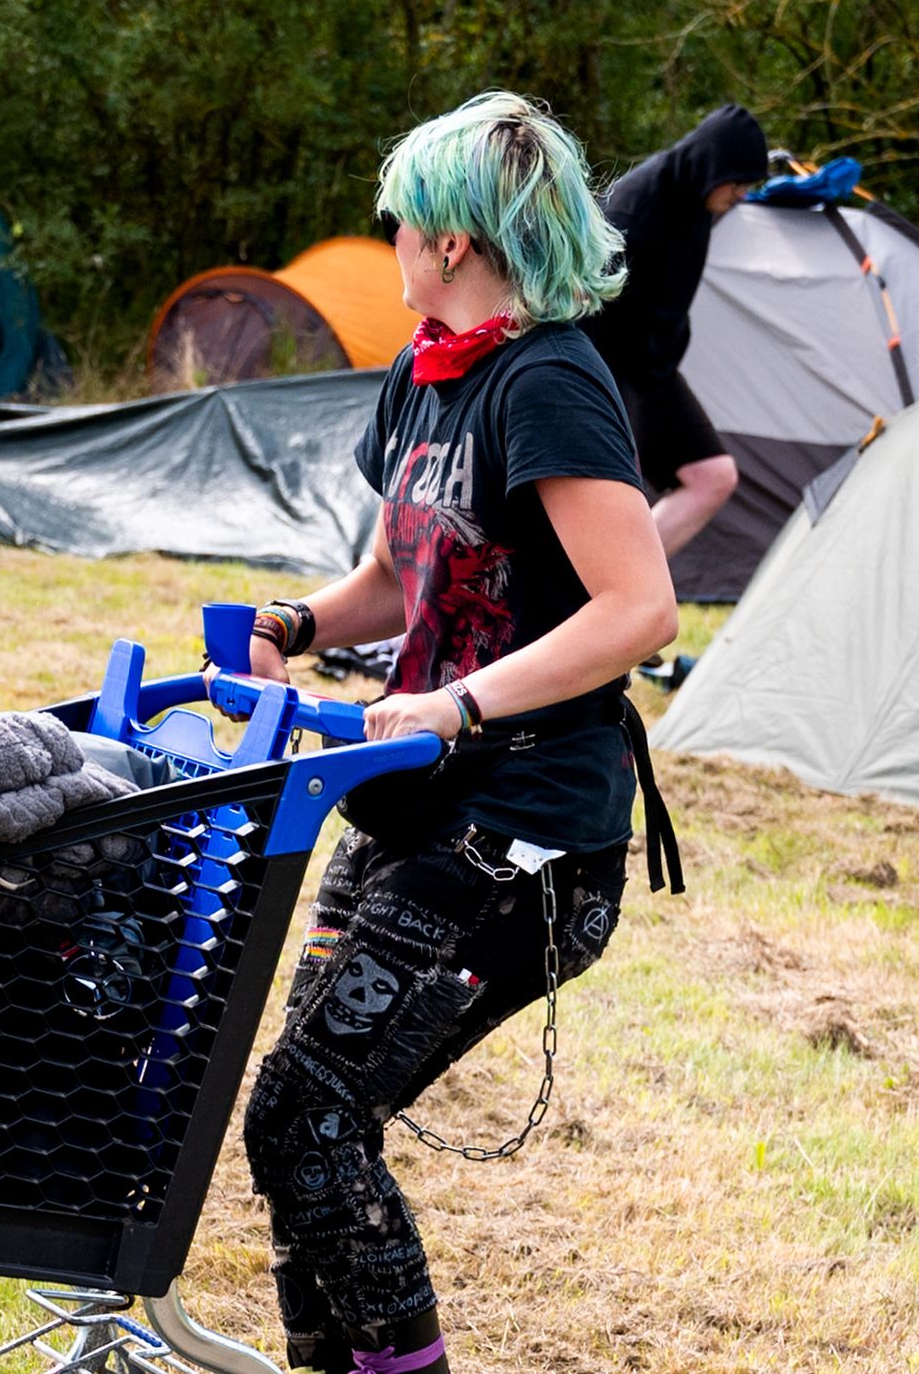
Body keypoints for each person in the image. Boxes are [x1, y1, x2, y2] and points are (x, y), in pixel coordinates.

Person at [227, 93, 681, 1374]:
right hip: (410, 800)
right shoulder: (423, 372)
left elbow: (638, 607)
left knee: (307, 1114)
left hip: (525, 830)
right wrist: (288, 622)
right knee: (293, 1124)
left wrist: (458, 701)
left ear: (452, 240)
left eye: (400, 219)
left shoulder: (547, 379)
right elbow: (395, 574)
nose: (387, 237)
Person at [581, 104, 769, 555]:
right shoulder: (634, 207)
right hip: (608, 372)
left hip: (655, 372)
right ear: (712, 167)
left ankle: (629, 576)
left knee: (712, 476)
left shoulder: (698, 199)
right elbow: (580, 305)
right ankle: (604, 584)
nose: (741, 195)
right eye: (738, 183)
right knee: (618, 499)